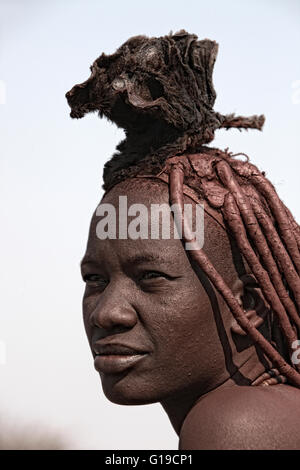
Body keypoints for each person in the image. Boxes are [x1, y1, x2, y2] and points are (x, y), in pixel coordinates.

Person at [65, 30, 300, 449]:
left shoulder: (235, 425)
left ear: (248, 306)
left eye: (151, 276)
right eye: (95, 280)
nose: (107, 313)